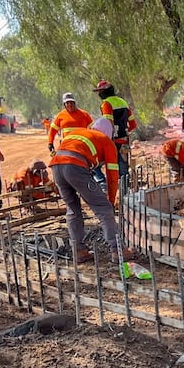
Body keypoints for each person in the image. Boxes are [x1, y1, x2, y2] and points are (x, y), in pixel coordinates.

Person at [48, 117, 135, 264]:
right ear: (109, 133)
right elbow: (112, 176)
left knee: (72, 209)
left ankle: (79, 251)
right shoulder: (106, 141)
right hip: (75, 166)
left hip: (56, 167)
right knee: (104, 209)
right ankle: (118, 250)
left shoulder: (79, 133)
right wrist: (110, 201)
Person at [92, 80, 137, 183]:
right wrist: (124, 132)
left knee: (96, 163)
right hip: (124, 141)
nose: (99, 94)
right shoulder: (123, 102)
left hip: (112, 141)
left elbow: (109, 122)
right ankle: (125, 190)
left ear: (104, 91)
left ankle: (103, 183)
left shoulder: (106, 104)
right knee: (123, 169)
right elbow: (133, 125)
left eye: (100, 91)